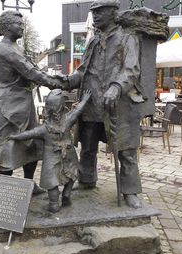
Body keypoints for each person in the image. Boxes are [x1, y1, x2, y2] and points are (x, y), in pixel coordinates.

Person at [0, 11, 67, 193]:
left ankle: (29, 185)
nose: (22, 27)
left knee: (31, 145)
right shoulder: (4, 49)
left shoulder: (16, 47)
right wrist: (57, 83)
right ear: (6, 27)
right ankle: (8, 191)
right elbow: (31, 72)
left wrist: (56, 78)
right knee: (7, 149)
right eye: (18, 24)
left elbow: (34, 68)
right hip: (8, 106)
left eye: (23, 25)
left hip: (23, 102)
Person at [67, 0, 146, 208]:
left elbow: (131, 70)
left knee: (125, 150)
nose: (95, 15)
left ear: (113, 12)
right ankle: (86, 179)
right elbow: (83, 70)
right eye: (93, 12)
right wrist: (67, 81)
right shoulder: (92, 41)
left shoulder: (127, 38)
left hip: (116, 104)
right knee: (88, 144)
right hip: (91, 102)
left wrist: (117, 86)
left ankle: (130, 191)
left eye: (100, 11)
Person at [9, 89, 92, 213]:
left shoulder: (44, 129)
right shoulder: (68, 119)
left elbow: (29, 134)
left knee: (51, 180)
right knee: (72, 173)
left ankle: (54, 203)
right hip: (69, 153)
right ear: (62, 106)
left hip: (51, 157)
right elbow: (77, 111)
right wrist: (85, 99)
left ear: (47, 108)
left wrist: (14, 136)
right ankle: (66, 193)